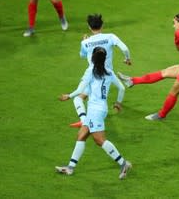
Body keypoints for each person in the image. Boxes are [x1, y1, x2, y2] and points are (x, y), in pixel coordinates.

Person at [118, 13, 179, 120]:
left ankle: (161, 115)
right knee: (164, 72)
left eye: (174, 23)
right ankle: (132, 81)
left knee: (174, 92)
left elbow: (178, 49)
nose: (173, 26)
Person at [55, 47, 132, 179]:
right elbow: (122, 88)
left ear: (92, 58)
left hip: (95, 111)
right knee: (81, 135)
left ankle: (123, 163)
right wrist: (118, 103)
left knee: (99, 140)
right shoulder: (109, 72)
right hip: (100, 109)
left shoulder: (90, 71)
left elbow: (80, 89)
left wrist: (69, 96)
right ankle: (70, 168)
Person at [60, 14, 131, 128]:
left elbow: (82, 56)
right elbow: (125, 48)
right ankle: (94, 118)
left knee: (79, 98)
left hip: (93, 74)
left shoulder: (85, 42)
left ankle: (84, 120)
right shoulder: (110, 37)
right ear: (102, 25)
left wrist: (69, 96)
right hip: (107, 73)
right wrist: (127, 59)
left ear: (89, 27)